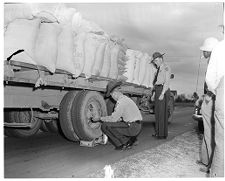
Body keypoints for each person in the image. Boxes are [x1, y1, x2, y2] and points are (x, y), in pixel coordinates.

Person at [92, 81, 143, 150]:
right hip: (136, 125)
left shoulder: (121, 103)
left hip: (133, 127)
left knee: (105, 126)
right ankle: (130, 139)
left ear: (115, 93)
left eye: (111, 96)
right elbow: (121, 118)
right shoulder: (125, 99)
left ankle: (124, 142)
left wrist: (99, 118)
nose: (112, 98)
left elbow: (113, 119)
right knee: (112, 124)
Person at [195, 37, 219, 169]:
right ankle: (205, 159)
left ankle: (210, 164)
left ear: (210, 50)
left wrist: (208, 97)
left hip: (211, 101)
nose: (203, 52)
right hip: (208, 99)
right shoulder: (212, 62)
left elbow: (215, 86)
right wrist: (202, 97)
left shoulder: (216, 63)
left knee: (210, 133)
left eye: (204, 50)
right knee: (207, 131)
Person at [205, 39, 224, 177]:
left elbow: (211, 81)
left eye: (205, 51)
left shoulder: (219, 49)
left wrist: (213, 94)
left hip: (216, 95)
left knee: (219, 139)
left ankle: (215, 171)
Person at [151, 52, 171, 139]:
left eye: (156, 60)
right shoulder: (158, 69)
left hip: (163, 90)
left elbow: (166, 82)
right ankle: (158, 132)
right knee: (158, 113)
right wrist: (154, 93)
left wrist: (162, 93)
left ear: (161, 59)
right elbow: (157, 83)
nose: (155, 62)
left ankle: (162, 134)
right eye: (154, 61)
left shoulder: (166, 67)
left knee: (162, 113)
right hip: (158, 90)